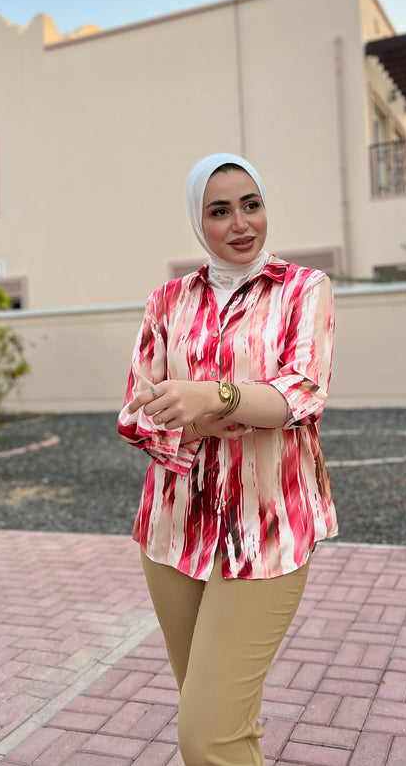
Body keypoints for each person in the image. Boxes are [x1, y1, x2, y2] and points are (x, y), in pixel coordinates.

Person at [117, 152, 337, 766]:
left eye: (251, 205)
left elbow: (301, 394)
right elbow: (136, 411)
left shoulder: (303, 290)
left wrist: (211, 397)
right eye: (220, 211)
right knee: (217, 717)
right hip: (171, 532)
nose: (241, 224)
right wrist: (199, 424)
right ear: (198, 222)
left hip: (267, 530)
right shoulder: (166, 302)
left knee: (206, 735)